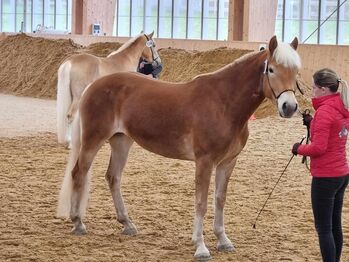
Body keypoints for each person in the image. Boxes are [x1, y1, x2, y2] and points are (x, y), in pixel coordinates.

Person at [292, 68, 349, 262]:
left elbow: (318, 149)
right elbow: (332, 133)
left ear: (324, 90)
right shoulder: (341, 106)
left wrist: (298, 148)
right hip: (341, 174)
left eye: (315, 87)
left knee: (324, 229)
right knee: (334, 225)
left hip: (326, 177)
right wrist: (312, 123)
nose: (312, 91)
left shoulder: (325, 112)